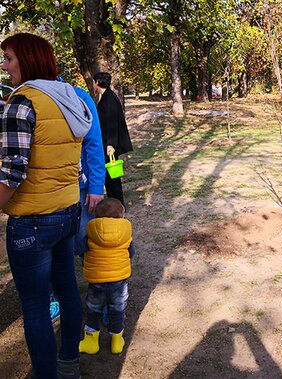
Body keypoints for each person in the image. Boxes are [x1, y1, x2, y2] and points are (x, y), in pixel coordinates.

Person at [1, 33, 92, 378]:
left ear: (27, 59)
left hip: (32, 222)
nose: (5, 65)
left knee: (37, 307)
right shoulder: (69, 98)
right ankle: (69, 364)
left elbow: (12, 171)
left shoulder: (22, 101)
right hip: (69, 211)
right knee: (68, 290)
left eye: (9, 57)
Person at [49, 78, 106, 323]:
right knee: (49, 250)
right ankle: (54, 298)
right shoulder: (26, 94)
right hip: (45, 192)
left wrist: (95, 186)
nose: (4, 66)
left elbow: (94, 144)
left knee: (89, 244)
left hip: (80, 189)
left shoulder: (78, 96)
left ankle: (102, 297)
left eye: (9, 59)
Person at [79, 198, 134, 355]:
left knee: (93, 310)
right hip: (119, 283)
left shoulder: (90, 234)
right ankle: (117, 341)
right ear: (122, 217)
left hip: (96, 283)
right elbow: (132, 253)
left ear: (97, 217)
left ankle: (91, 342)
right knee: (117, 311)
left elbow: (78, 250)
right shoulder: (126, 234)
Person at [92, 72, 133, 206]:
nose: (93, 84)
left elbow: (112, 122)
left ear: (97, 82)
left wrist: (111, 144)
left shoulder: (108, 99)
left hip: (109, 145)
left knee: (112, 178)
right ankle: (116, 204)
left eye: (94, 82)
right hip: (108, 143)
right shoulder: (108, 96)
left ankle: (117, 206)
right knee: (111, 178)